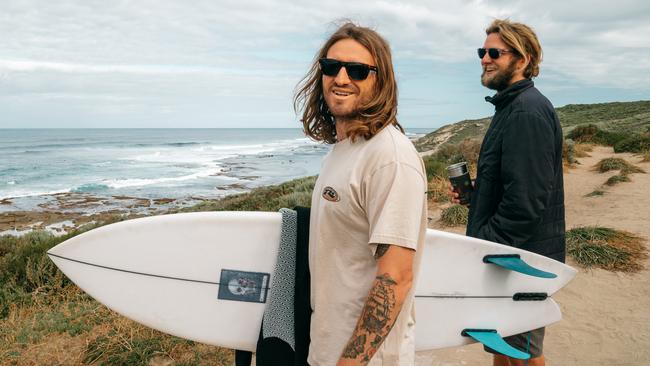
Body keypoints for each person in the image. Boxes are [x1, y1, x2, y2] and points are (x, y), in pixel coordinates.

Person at [294, 22, 428, 366]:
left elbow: (396, 277)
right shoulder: (343, 151)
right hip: (327, 348)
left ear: (379, 81)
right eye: (331, 66)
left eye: (357, 70)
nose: (340, 78)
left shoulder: (390, 158)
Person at [451, 19, 565, 366]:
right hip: (510, 256)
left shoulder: (526, 111)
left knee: (523, 353)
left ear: (524, 58)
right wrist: (479, 192)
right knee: (503, 346)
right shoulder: (511, 107)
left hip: (520, 261)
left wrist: (483, 246)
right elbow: (517, 184)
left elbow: (526, 204)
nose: (485, 58)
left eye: (494, 52)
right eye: (481, 52)